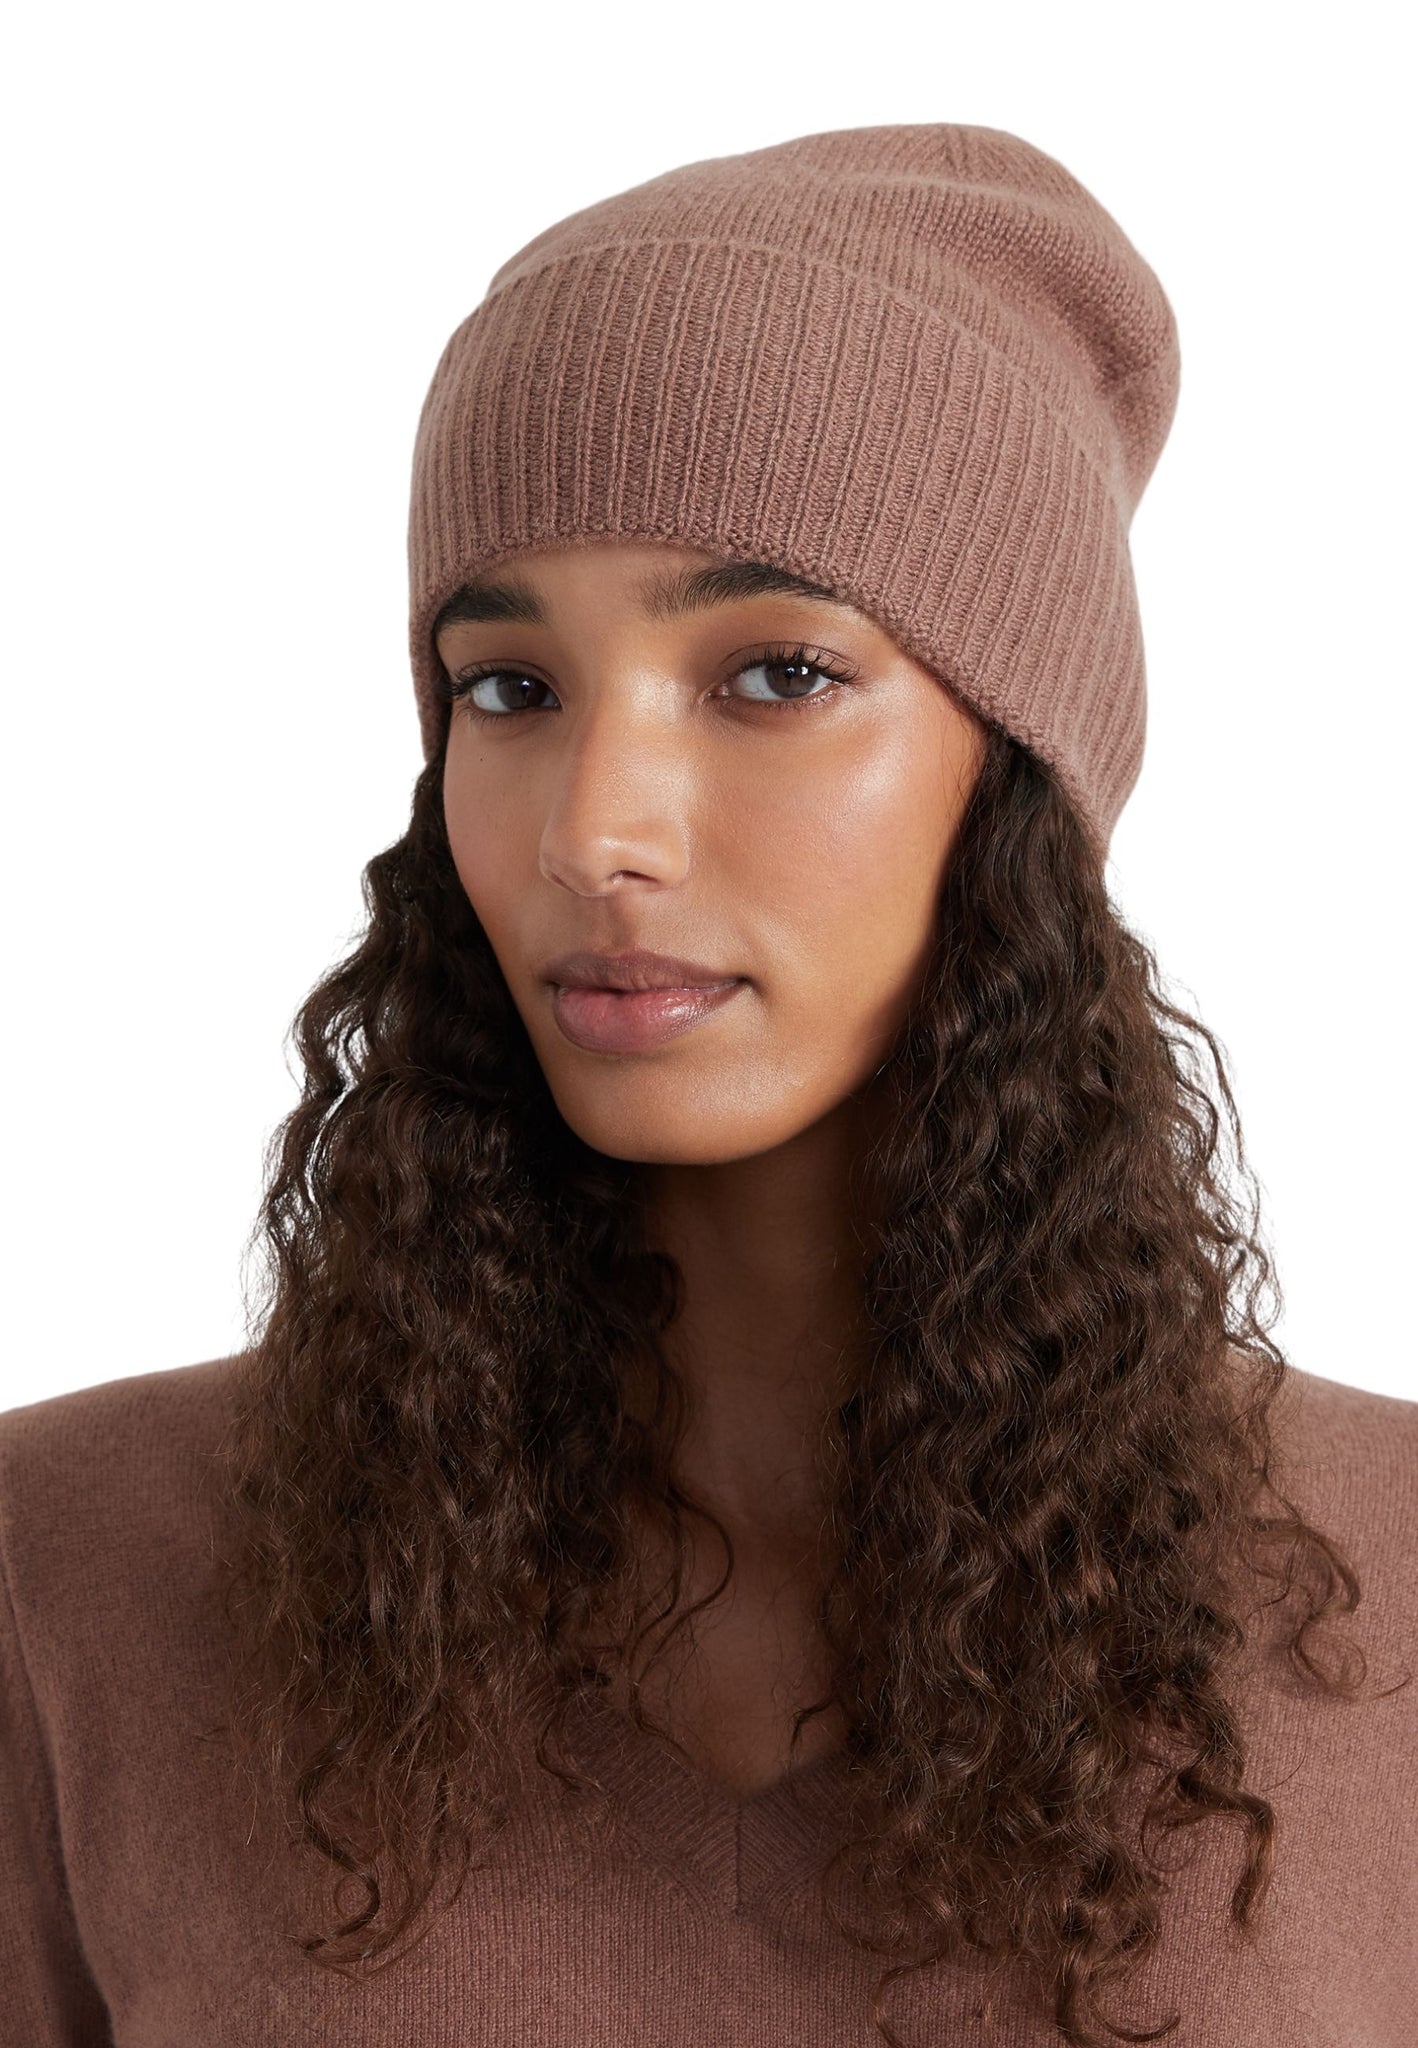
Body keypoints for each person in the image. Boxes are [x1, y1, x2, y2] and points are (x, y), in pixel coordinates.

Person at [1, 122, 1414, 2048]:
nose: (596, 830)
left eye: (774, 676)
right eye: (509, 689)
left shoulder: (1385, 1593)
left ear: (1017, 770)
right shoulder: (69, 1575)